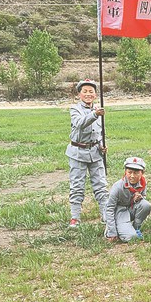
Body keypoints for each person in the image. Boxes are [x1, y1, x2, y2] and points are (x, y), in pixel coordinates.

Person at [66, 79, 108, 228]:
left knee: (101, 185)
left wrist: (102, 145)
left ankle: (106, 215)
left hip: (95, 153)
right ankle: (75, 218)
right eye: (85, 91)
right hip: (78, 153)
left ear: (95, 95)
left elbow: (99, 132)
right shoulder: (75, 109)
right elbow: (80, 123)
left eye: (91, 91)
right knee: (77, 186)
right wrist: (95, 114)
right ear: (79, 94)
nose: (88, 94)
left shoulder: (98, 109)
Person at [105, 157, 151, 242]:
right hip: (119, 213)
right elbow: (109, 209)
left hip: (130, 209)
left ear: (142, 173)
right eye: (129, 172)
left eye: (136, 173)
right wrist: (112, 232)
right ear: (125, 172)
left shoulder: (143, 183)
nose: (132, 176)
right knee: (132, 237)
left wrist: (136, 199)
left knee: (146, 205)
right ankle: (116, 228)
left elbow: (143, 200)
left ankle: (136, 228)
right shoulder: (118, 186)